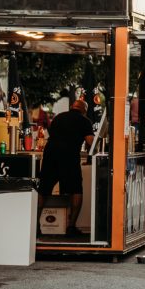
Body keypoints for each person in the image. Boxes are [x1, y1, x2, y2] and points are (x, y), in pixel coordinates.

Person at [37, 99, 94, 237]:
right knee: (76, 190)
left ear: (71, 107)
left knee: (43, 189)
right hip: (69, 156)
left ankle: (35, 226)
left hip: (50, 154)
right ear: (84, 110)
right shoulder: (85, 121)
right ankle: (71, 227)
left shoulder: (58, 117)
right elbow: (90, 142)